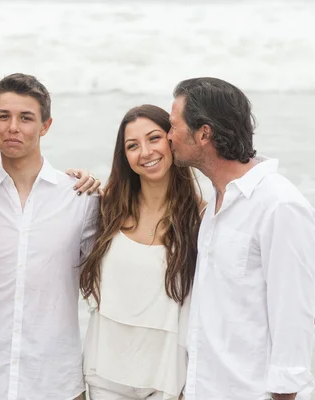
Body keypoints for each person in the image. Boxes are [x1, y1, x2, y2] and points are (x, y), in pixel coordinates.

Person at [166, 77, 315, 400]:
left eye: (173, 125)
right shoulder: (215, 204)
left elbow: (293, 318)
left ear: (203, 133)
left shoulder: (280, 205)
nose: (168, 137)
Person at [0, 73, 100, 400]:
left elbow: (112, 273)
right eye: (3, 116)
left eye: (26, 118)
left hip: (57, 380)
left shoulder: (81, 197)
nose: (13, 127)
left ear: (45, 126)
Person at [79, 104, 203, 400]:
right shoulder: (106, 206)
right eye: (132, 146)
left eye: (154, 138)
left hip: (166, 379)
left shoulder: (200, 218)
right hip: (105, 374)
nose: (145, 152)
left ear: (172, 140)